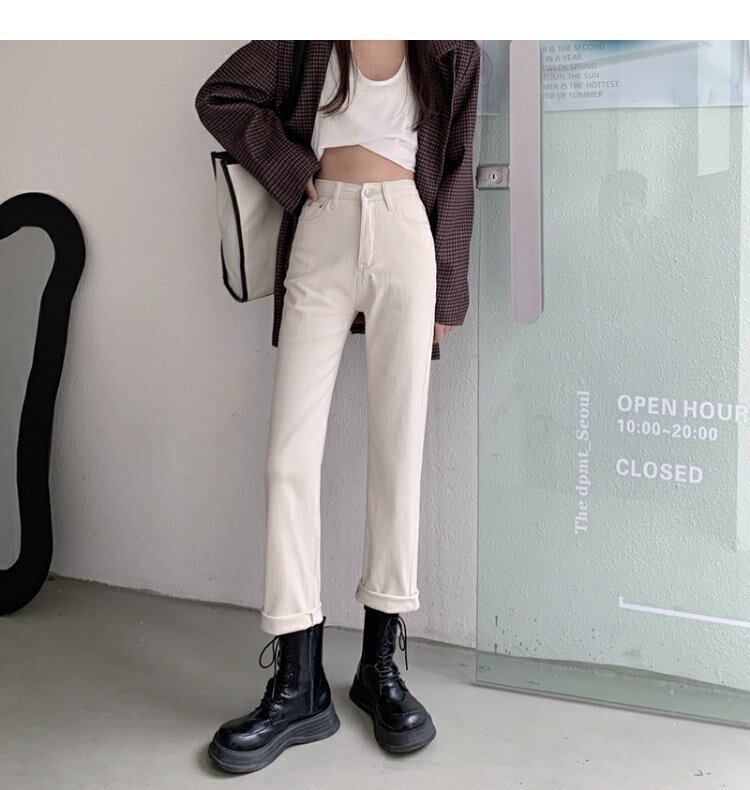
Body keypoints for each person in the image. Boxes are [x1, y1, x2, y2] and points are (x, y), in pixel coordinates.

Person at [195, 39, 480, 773]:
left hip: (406, 234)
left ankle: (379, 668)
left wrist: (449, 287)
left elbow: (456, 169)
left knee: (397, 453)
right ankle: (299, 684)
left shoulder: (450, 47)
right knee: (288, 460)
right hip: (320, 231)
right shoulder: (304, 33)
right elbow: (220, 96)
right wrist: (295, 174)